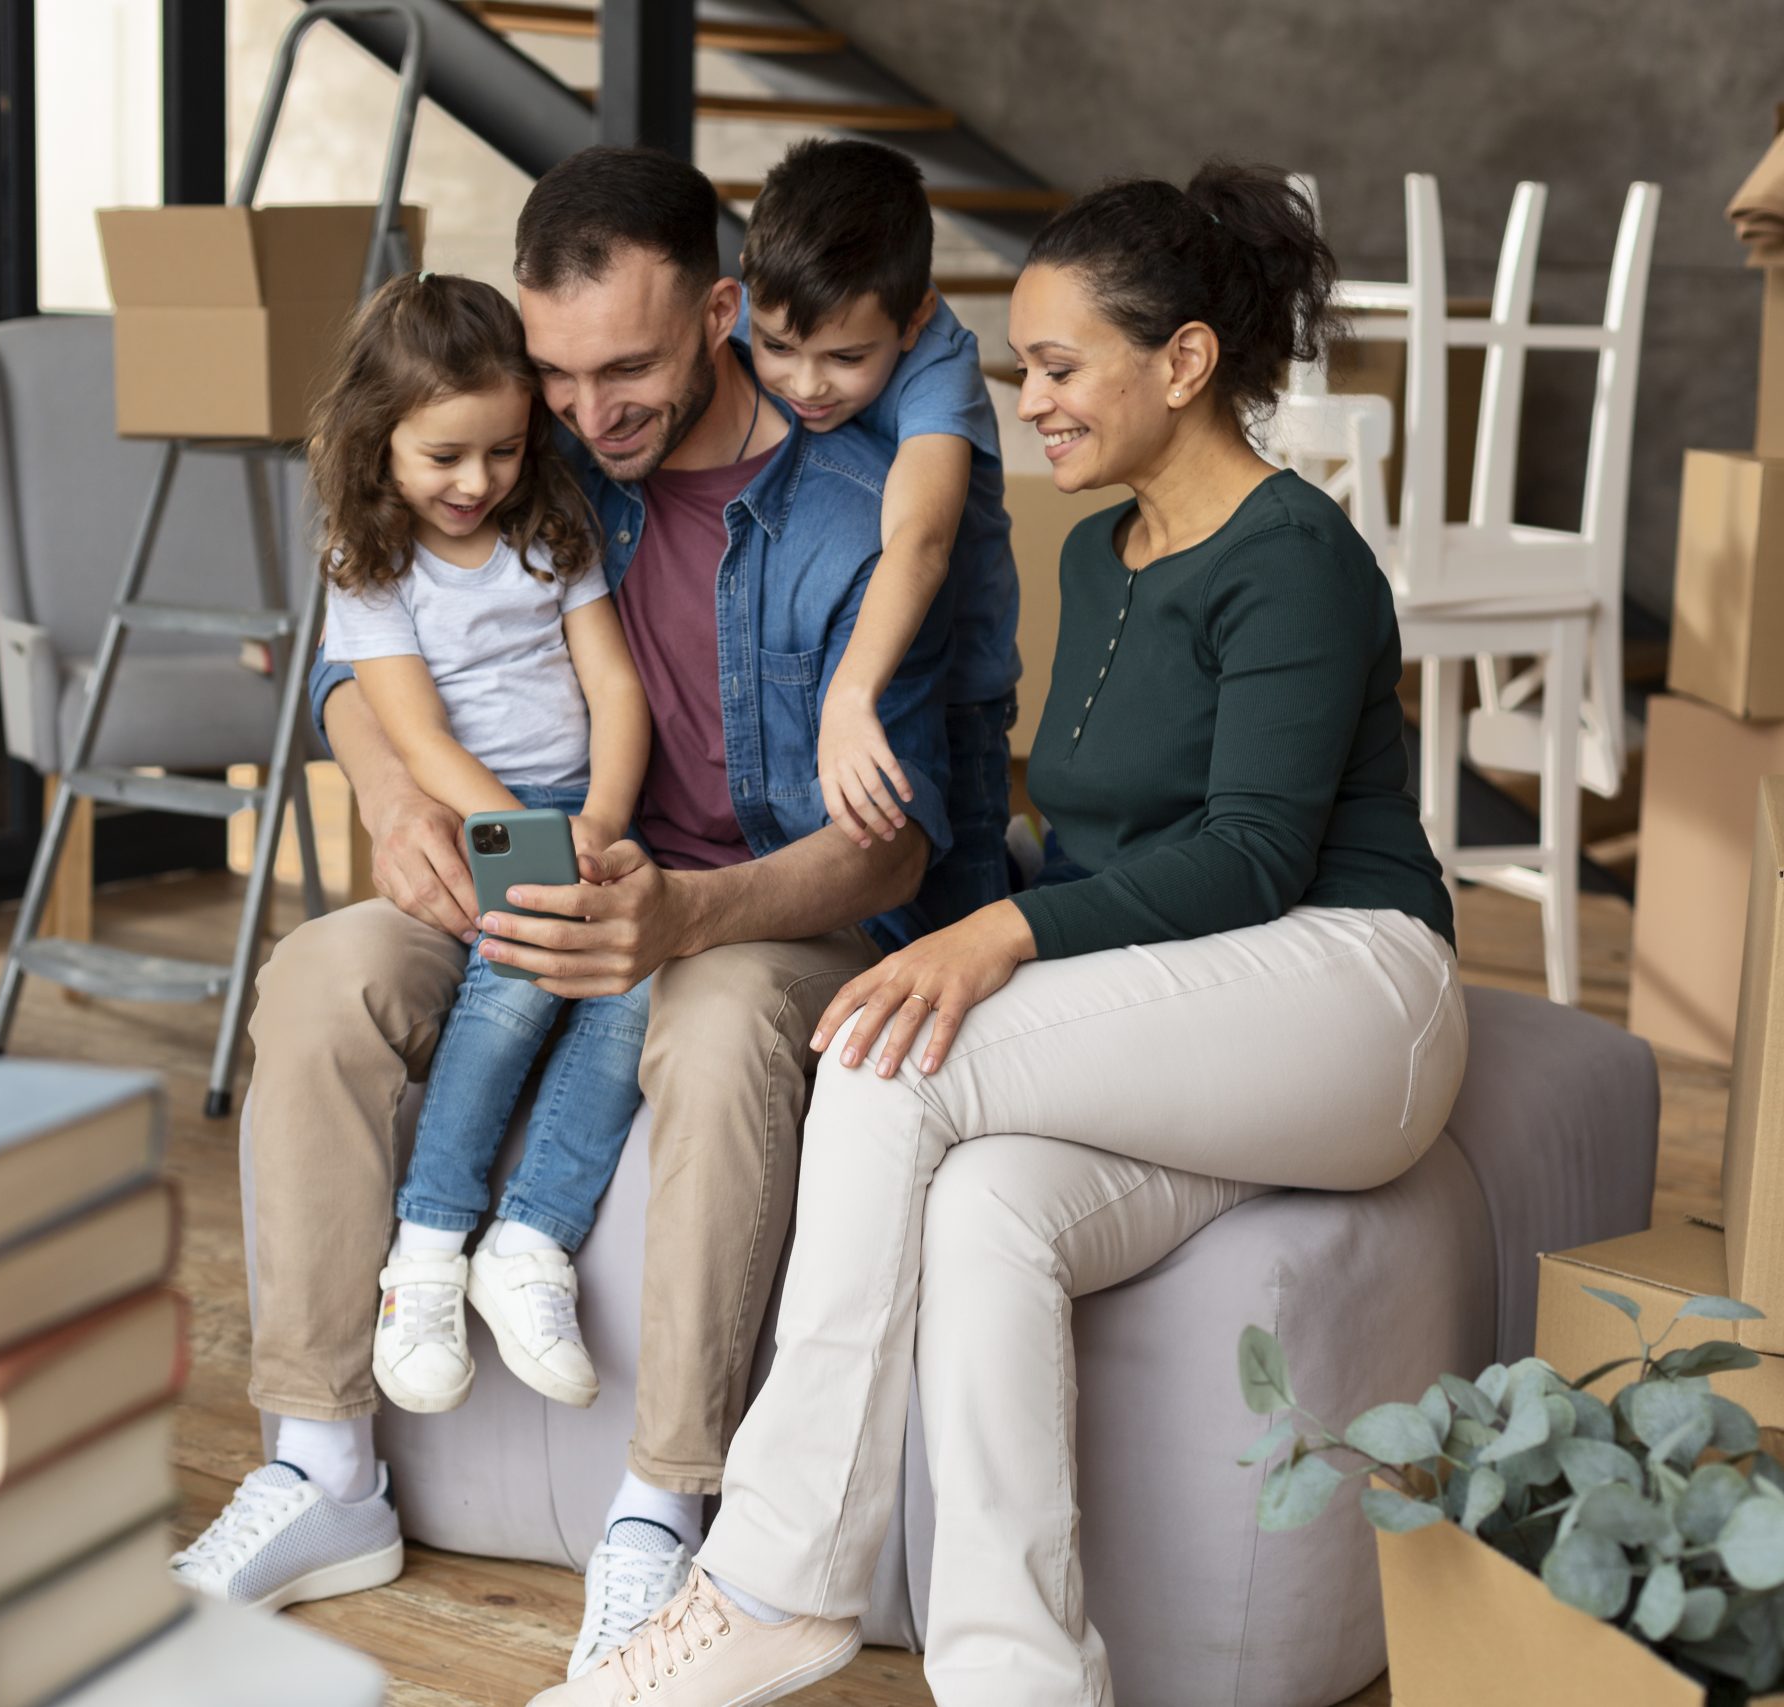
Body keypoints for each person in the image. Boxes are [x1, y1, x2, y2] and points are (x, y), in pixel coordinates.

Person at [534, 162, 1468, 1707]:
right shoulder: (1097, 555)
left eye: (1057, 366)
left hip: (1355, 986)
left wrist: (994, 937)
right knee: (988, 1213)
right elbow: (1111, 839)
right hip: (1203, 1009)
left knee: (890, 1057)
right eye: (1020, 364)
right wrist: (1002, 911)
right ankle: (1018, 1677)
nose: (1021, 400)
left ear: (1183, 363)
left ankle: (774, 1573)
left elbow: (1250, 856)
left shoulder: (1295, 554)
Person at [189, 146, 988, 1681]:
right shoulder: (536, 472)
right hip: (533, 873)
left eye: (626, 367)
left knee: (719, 1016)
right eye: (554, 373)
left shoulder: (851, 518)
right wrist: (392, 790)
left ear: (722, 315)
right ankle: (320, 1464)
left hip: (756, 904)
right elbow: (366, 654)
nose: (585, 410)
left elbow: (897, 849)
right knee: (323, 972)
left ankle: (661, 1515)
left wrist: (689, 912)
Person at [306, 273, 651, 1426]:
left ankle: (532, 1241)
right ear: (378, 440)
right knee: (510, 994)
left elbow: (612, 682)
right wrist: (530, 837)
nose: (476, 482)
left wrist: (601, 816)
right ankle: (427, 1251)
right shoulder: (371, 566)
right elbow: (414, 733)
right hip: (484, 813)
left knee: (628, 989)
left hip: (587, 807)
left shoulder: (551, 531)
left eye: (502, 451)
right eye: (444, 456)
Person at [737, 138, 1019, 922]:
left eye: (846, 357)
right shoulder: (749, 313)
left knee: (953, 910)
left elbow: (921, 537)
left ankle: (1009, 870)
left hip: (956, 689)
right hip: (814, 661)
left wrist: (848, 696)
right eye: (777, 347)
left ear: (915, 314)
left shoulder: (940, 364)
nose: (805, 383)